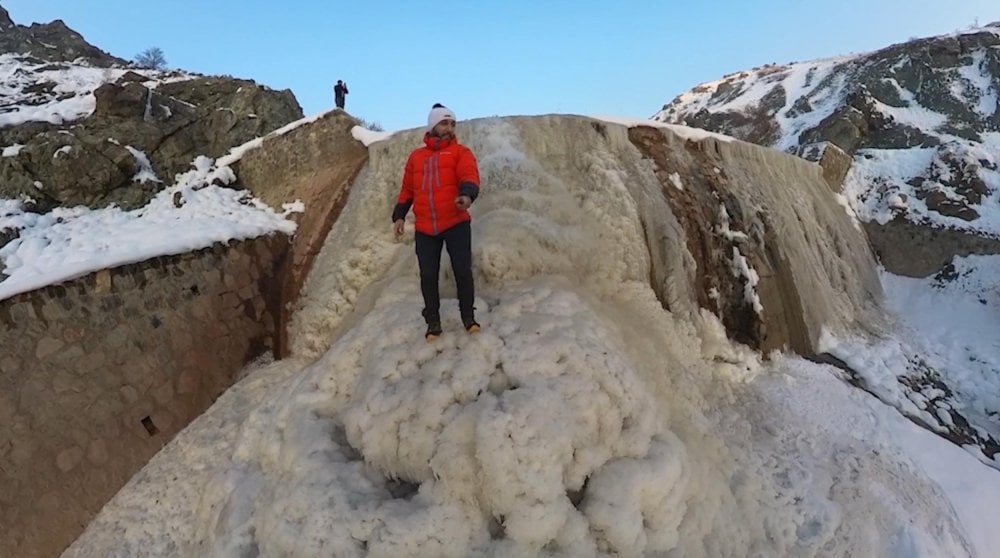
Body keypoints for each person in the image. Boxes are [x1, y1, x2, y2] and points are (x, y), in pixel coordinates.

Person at [393, 103, 481, 340]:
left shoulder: (461, 153)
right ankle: (433, 322)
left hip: (456, 223)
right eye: (444, 123)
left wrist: (467, 195)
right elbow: (407, 190)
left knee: (462, 271)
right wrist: (399, 215)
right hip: (425, 228)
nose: (449, 128)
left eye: (452, 123)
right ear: (433, 126)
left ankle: (468, 318)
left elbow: (469, 175)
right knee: (428, 275)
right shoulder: (416, 157)